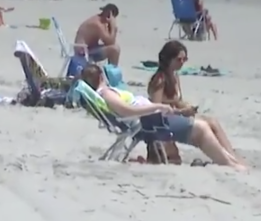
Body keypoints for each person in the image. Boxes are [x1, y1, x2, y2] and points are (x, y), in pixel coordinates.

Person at [80, 64, 245, 170]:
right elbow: (126, 111)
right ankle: (232, 164)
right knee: (201, 129)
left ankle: (232, 161)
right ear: (101, 76)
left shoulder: (104, 94)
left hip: (149, 120)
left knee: (204, 125)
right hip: (150, 123)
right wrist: (158, 106)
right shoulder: (107, 94)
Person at [147, 40, 243, 165]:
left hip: (176, 115)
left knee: (212, 121)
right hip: (164, 120)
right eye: (178, 59)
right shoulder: (160, 79)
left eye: (184, 59)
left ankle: (231, 156)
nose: (182, 63)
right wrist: (181, 111)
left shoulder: (174, 77)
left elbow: (177, 101)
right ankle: (227, 159)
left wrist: (187, 107)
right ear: (168, 59)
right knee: (204, 125)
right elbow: (156, 108)